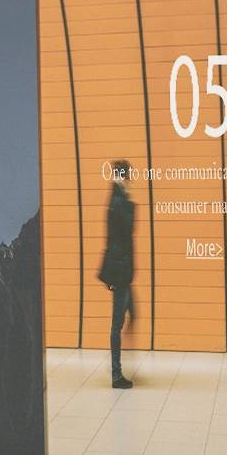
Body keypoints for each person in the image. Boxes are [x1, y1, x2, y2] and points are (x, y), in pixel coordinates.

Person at [97, 156, 136, 388]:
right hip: (121, 271)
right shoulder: (119, 201)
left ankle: (119, 365)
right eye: (128, 175)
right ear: (124, 176)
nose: (131, 179)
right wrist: (131, 204)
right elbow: (126, 230)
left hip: (123, 270)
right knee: (116, 325)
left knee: (131, 315)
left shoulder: (116, 198)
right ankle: (116, 374)